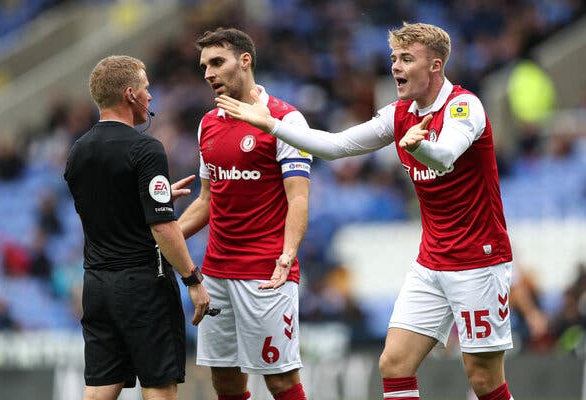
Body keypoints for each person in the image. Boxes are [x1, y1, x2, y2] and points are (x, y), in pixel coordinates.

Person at [216, 22, 516, 400]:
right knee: (394, 364)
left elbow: (444, 155)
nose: (396, 67)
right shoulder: (399, 114)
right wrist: (272, 124)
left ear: (436, 66)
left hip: (479, 261)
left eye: (407, 59)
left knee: (484, 379)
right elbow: (335, 146)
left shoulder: (464, 106)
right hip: (433, 262)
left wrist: (419, 147)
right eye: (393, 59)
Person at [64, 55, 210, 400]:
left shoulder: (77, 151)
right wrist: (192, 279)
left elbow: (92, 217)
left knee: (100, 386)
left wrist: (148, 201)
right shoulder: (146, 148)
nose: (151, 97)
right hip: (143, 287)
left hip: (96, 286)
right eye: (146, 89)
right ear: (130, 94)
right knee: (158, 385)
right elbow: (162, 227)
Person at [177, 28, 312, 400]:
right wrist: (165, 237)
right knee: (226, 383)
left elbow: (298, 198)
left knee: (282, 381)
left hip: (266, 273)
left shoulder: (285, 120)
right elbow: (207, 201)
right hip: (216, 275)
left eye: (217, 62)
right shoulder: (208, 124)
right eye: (204, 66)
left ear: (245, 61)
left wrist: (286, 257)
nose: (208, 73)